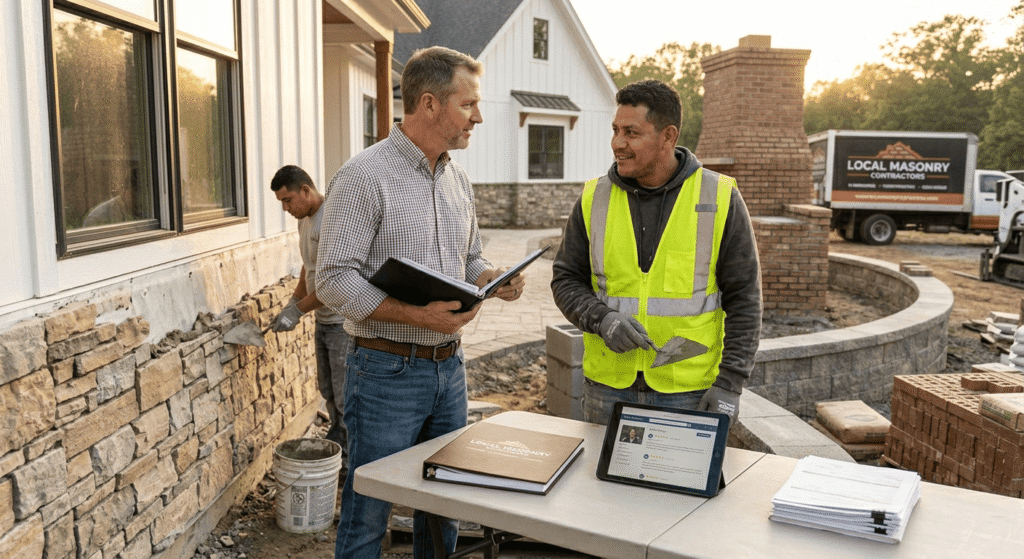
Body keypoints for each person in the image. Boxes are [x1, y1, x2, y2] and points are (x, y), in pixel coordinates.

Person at [316, 46, 525, 559]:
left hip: (448, 370)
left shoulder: (457, 177)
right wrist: (415, 315)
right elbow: (332, 280)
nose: (478, 116)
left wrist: (492, 277)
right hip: (384, 373)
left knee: (443, 501)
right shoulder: (364, 176)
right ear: (429, 104)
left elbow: (470, 256)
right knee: (370, 509)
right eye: (468, 104)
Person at [550, 78, 762, 431]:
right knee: (603, 487)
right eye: (616, 130)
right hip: (608, 388)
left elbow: (745, 298)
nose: (618, 143)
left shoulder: (719, 197)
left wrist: (730, 383)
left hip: (686, 391)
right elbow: (565, 279)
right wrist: (602, 319)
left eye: (632, 133)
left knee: (678, 487)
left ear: (668, 136)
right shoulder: (594, 198)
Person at [268, 165, 351, 465]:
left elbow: (332, 284)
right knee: (328, 389)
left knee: (345, 395)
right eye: (281, 203)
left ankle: (353, 459)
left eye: (288, 200)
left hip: (342, 323)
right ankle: (338, 441)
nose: (286, 208)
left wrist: (297, 312)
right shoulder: (305, 220)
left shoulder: (330, 219)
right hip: (323, 320)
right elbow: (308, 266)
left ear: (306, 189)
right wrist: (294, 298)